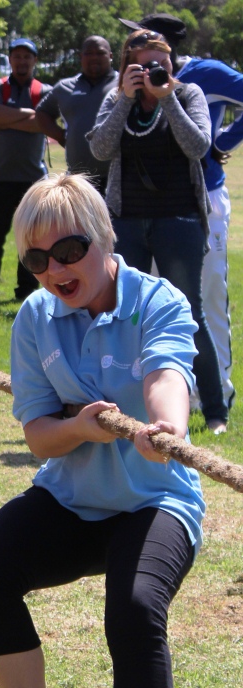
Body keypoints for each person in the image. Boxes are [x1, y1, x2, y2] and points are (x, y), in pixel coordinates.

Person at [0, 172, 205, 688]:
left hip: (155, 500)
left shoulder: (159, 301)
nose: (54, 271)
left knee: (132, 607)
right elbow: (38, 435)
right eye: (36, 260)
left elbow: (168, 374)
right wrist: (82, 429)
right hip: (73, 495)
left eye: (68, 250)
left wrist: (164, 425)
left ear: (104, 238)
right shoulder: (37, 316)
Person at [89, 29, 228, 435]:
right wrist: (128, 99)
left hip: (179, 221)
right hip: (127, 220)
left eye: (161, 64)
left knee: (190, 315)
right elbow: (99, 149)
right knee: (122, 314)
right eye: (144, 64)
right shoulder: (117, 99)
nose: (154, 71)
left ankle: (215, 410)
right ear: (126, 67)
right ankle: (125, 403)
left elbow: (199, 145)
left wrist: (166, 97)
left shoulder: (188, 95)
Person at [119, 13, 243, 409]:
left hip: (199, 200)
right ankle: (167, 393)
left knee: (204, 299)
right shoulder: (129, 83)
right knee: (150, 303)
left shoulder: (207, 73)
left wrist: (224, 140)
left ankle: (217, 394)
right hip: (145, 210)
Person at [0, 38, 51, 301]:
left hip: (33, 179)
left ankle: (26, 294)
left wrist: (9, 118)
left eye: (27, 56)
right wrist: (30, 116)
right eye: (17, 56)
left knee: (33, 239)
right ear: (10, 59)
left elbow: (43, 124)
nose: (22, 61)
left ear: (35, 60)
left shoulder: (44, 90)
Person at [35, 36, 118, 194]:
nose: (94, 57)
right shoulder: (65, 87)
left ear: (111, 56)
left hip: (116, 179)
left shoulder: (123, 85)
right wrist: (62, 136)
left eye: (100, 53)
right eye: (88, 53)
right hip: (78, 180)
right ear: (81, 57)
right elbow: (42, 112)